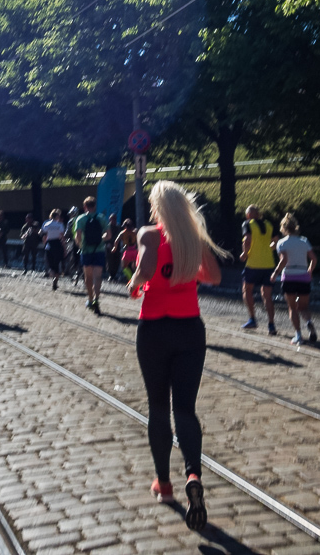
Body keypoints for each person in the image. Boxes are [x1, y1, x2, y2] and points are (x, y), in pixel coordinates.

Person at [127, 181, 228, 531]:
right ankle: (193, 474)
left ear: (158, 208)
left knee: (158, 407)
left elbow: (146, 269)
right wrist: (189, 269)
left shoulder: (149, 234)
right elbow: (214, 277)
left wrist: (135, 284)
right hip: (190, 330)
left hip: (154, 329)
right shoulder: (192, 238)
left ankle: (165, 486)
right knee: (185, 408)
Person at [269, 213, 318, 345]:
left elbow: (284, 260)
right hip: (303, 275)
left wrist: (275, 273)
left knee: (292, 308)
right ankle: (309, 323)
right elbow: (313, 258)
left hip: (289, 276)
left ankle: (298, 335)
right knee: (303, 306)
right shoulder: (304, 241)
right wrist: (310, 271)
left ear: (283, 228)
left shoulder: (281, 243)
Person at [239, 205, 278, 335]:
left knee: (247, 290)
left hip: (253, 264)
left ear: (249, 215)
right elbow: (276, 242)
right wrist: (268, 248)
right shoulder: (268, 224)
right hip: (269, 264)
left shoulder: (247, 224)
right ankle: (271, 325)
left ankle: (252, 319)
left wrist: (245, 253)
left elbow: (247, 240)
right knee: (267, 295)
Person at [74, 196, 109, 314]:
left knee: (88, 277)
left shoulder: (80, 219)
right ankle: (97, 300)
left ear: (85, 207)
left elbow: (78, 236)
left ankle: (90, 299)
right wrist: (100, 239)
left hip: (86, 251)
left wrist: (80, 245)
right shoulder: (102, 218)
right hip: (99, 251)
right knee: (97, 276)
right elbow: (108, 235)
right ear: (95, 206)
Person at [41, 209, 65, 290]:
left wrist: (45, 244)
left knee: (50, 262)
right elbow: (62, 237)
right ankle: (55, 280)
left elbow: (44, 236)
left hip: (49, 244)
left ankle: (52, 273)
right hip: (57, 244)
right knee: (57, 263)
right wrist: (64, 247)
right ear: (57, 216)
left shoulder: (46, 224)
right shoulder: (60, 225)